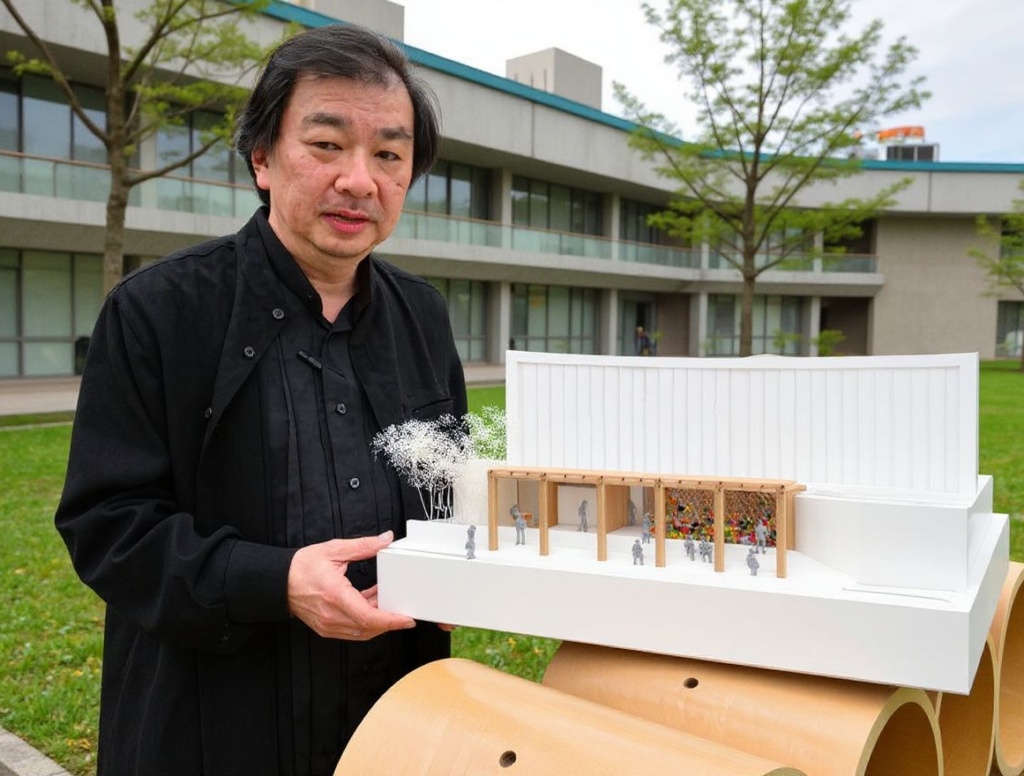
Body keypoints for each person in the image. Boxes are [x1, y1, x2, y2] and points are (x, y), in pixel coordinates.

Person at [53, 24, 466, 776]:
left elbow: (451, 491)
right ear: (263, 158)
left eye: (389, 155)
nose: (359, 180)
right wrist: (271, 580)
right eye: (327, 145)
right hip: (213, 723)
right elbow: (106, 526)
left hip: (393, 721)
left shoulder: (423, 316)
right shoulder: (158, 311)